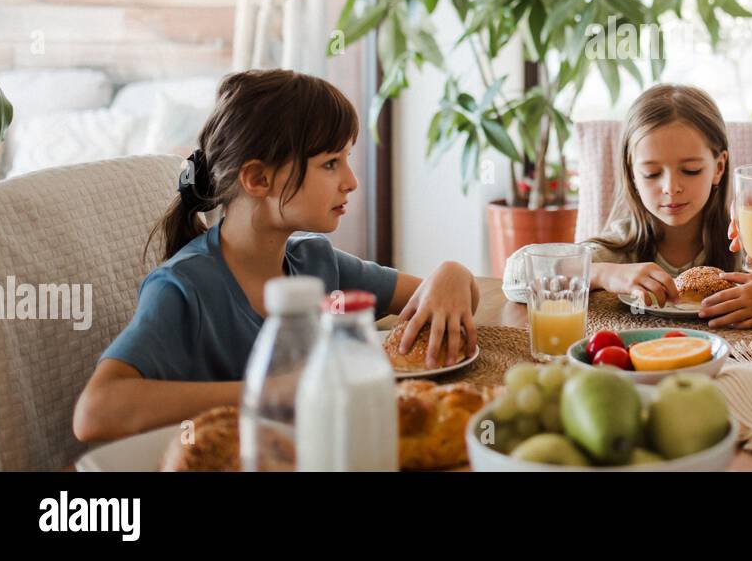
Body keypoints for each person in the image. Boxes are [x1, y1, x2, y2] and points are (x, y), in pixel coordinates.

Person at [73, 68, 480, 443]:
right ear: (258, 179)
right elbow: (95, 412)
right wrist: (274, 392)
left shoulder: (318, 264)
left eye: (347, 159)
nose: (351, 182)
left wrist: (452, 273)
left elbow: (437, 298)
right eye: (330, 163)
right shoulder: (184, 288)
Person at [504, 83, 752, 327]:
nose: (671, 188)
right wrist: (599, 274)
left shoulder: (750, 248)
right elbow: (516, 276)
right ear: (631, 175)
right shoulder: (619, 251)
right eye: (651, 174)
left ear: (719, 167)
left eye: (691, 170)